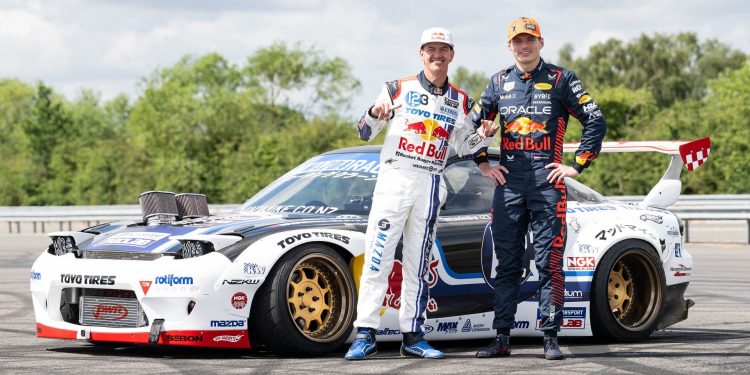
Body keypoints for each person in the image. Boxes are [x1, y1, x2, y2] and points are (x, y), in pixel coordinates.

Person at [345, 27, 498, 360]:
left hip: (430, 183)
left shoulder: (461, 100)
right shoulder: (396, 88)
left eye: (443, 49)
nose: (436, 55)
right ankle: (366, 333)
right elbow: (363, 131)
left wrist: (485, 136)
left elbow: (465, 146)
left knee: (418, 263)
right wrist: (374, 113)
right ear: (421, 53)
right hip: (394, 179)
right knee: (377, 259)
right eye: (430, 49)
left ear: (452, 55)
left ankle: (413, 335)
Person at [471, 17, 607, 360]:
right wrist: (483, 162)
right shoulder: (497, 83)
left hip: (548, 181)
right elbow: (470, 125)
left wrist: (576, 166)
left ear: (541, 42)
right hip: (509, 181)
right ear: (509, 46)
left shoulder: (563, 79)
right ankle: (502, 338)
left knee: (549, 262)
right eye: (517, 41)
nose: (524, 46)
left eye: (529, 40)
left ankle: (550, 337)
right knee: (508, 264)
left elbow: (595, 119)